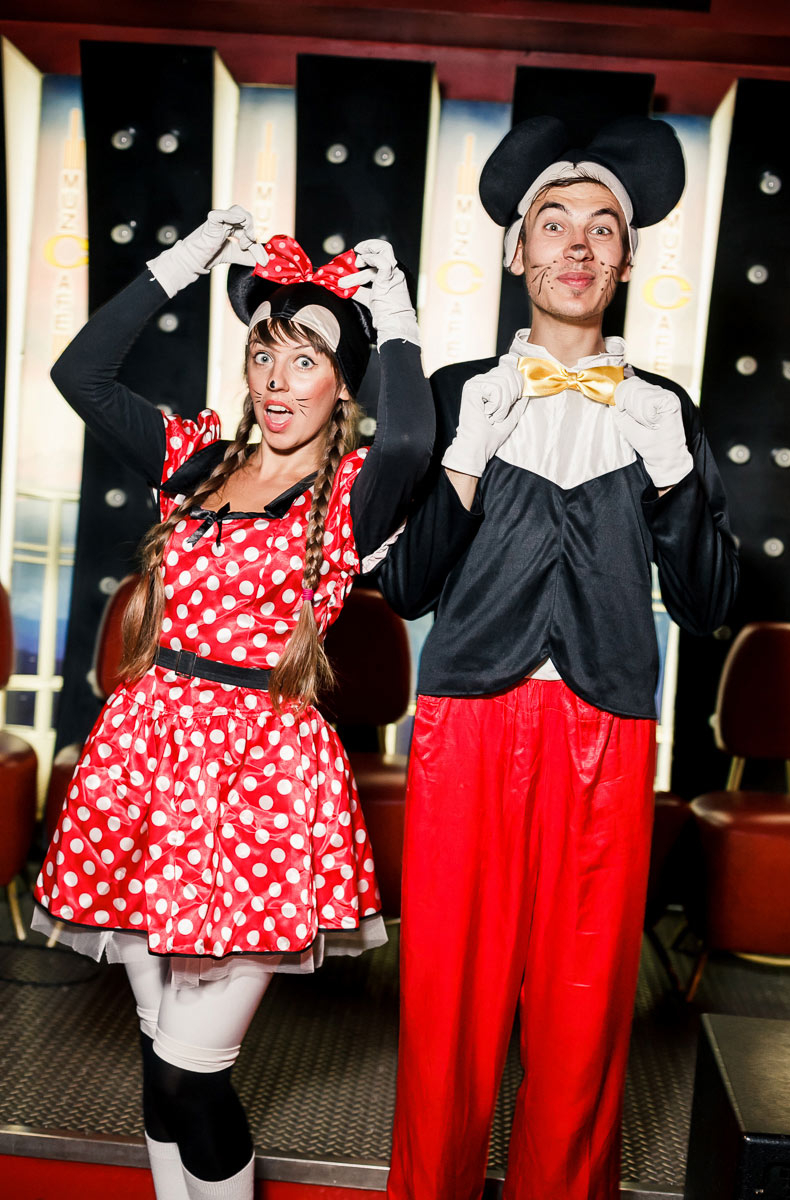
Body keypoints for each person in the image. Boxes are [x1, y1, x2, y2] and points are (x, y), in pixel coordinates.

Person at [33, 206, 433, 1200]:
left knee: (191, 1073)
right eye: (264, 355)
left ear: (342, 383)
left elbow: (413, 435)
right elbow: (81, 375)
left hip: (258, 791)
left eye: (306, 360)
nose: (277, 381)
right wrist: (179, 264)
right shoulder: (198, 460)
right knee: (157, 1062)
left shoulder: (353, 493)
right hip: (146, 771)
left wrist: (396, 316)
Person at [378, 116, 739, 1200]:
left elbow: (709, 605)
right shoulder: (454, 393)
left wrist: (673, 478)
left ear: (624, 263)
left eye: (600, 230)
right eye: (552, 223)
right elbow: (402, 589)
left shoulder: (667, 410)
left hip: (607, 733)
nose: (576, 246)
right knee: (445, 1009)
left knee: (584, 1017)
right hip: (465, 727)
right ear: (513, 252)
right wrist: (462, 459)